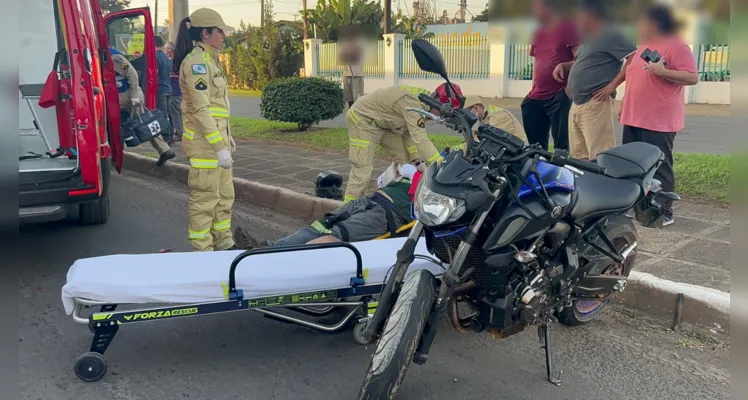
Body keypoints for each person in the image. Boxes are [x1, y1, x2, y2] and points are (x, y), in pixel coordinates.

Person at [618, 4, 699, 226]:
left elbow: (692, 77)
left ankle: (663, 211)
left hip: (659, 119)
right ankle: (638, 206)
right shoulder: (644, 45)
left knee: (658, 165)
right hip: (634, 115)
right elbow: (635, 78)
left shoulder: (676, 45)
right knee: (633, 164)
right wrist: (624, 103)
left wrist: (663, 72)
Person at [234, 163, 421, 249]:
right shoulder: (413, 171)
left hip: (387, 214)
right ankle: (268, 248)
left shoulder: (434, 184)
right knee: (321, 226)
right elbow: (377, 185)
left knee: (335, 235)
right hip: (368, 201)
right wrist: (401, 171)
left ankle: (279, 258)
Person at [173, 8, 238, 251]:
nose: (224, 36)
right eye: (219, 31)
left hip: (217, 146)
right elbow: (201, 110)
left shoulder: (209, 62)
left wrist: (227, 141)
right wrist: (220, 147)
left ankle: (224, 245)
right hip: (205, 147)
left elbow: (219, 109)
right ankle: (203, 253)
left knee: (223, 199)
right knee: (204, 202)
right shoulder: (197, 65)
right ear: (205, 33)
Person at [557, 0, 636, 161]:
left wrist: (612, 86)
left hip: (595, 103)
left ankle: (605, 186)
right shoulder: (589, 37)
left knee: (601, 157)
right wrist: (564, 66)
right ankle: (586, 186)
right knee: (581, 157)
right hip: (577, 104)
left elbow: (634, 58)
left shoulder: (611, 33)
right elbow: (586, 62)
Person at [343, 84, 447, 203]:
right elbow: (421, 138)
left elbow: (409, 133)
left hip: (383, 124)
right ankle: (345, 209)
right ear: (438, 102)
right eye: (442, 113)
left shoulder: (423, 103)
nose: (440, 118)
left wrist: (416, 159)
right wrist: (441, 166)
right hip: (362, 120)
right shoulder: (412, 102)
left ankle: (388, 194)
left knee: (405, 162)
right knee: (362, 170)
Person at [521, 0, 579, 151]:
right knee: (536, 147)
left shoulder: (568, 27)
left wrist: (567, 91)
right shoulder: (538, 32)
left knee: (561, 148)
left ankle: (560, 171)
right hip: (537, 95)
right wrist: (533, 88)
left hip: (558, 94)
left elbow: (580, 60)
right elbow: (537, 63)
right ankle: (539, 168)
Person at [110, 46, 175, 167]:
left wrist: (134, 96)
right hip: (126, 95)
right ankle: (165, 150)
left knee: (144, 123)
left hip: (129, 94)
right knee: (145, 123)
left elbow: (132, 73)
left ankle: (164, 150)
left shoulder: (113, 56)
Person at [338, 25, 365, 109]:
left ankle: (357, 112)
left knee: (357, 96)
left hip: (357, 74)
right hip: (347, 74)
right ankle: (350, 111)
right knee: (348, 96)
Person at [154, 36, 173, 143]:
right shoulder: (166, 56)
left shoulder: (156, 57)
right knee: (168, 113)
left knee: (162, 113)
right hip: (168, 88)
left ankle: (166, 136)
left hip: (160, 88)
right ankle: (170, 133)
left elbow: (154, 73)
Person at [166, 41, 184, 142]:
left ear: (169, 50)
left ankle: (178, 133)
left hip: (174, 91)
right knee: (178, 112)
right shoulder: (178, 62)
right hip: (179, 92)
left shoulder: (172, 63)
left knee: (174, 113)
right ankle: (180, 131)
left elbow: (173, 77)